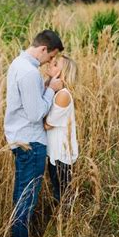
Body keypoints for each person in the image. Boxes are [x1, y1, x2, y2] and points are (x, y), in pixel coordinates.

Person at [4, 30, 64, 237]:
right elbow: (35, 112)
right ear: (43, 49)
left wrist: (48, 83)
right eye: (50, 57)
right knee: (27, 195)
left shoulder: (18, 64)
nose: (49, 62)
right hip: (31, 141)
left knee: (22, 192)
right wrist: (51, 90)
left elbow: (30, 100)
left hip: (21, 138)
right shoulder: (29, 72)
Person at [43, 55, 79, 203]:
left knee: (63, 196)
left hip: (62, 155)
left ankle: (66, 223)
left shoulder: (63, 95)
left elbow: (47, 124)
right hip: (54, 152)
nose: (50, 63)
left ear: (62, 73)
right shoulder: (56, 92)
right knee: (58, 191)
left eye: (56, 64)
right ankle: (63, 220)